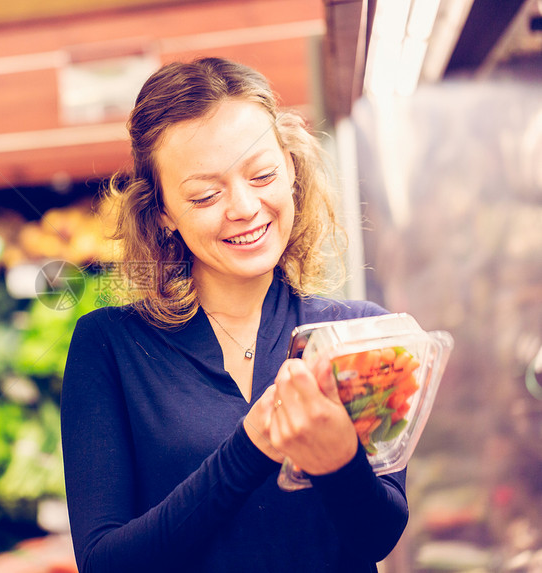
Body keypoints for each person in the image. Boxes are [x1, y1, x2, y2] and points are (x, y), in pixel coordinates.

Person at [60, 57, 408, 573]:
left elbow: (377, 536)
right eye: (205, 194)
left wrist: (340, 461)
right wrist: (251, 447)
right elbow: (104, 563)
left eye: (262, 174)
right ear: (162, 213)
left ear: (290, 169)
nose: (244, 207)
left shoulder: (358, 334)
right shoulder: (108, 346)